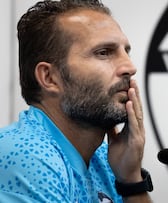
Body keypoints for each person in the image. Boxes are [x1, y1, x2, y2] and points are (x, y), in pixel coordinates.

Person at [0, 0, 153, 202]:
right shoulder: (24, 155)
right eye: (104, 53)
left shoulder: (106, 160)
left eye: (126, 51)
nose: (129, 67)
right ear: (49, 78)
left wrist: (131, 181)